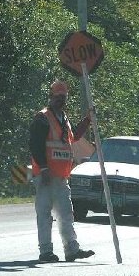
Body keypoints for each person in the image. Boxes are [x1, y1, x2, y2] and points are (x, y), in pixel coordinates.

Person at [29, 79, 95, 263]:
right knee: (44, 214)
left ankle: (72, 249)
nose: (61, 100)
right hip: (45, 175)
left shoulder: (63, 119)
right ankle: (45, 252)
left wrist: (88, 120)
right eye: (58, 97)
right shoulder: (42, 118)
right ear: (51, 97)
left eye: (63, 97)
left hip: (61, 176)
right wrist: (43, 168)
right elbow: (35, 145)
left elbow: (73, 137)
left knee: (66, 213)